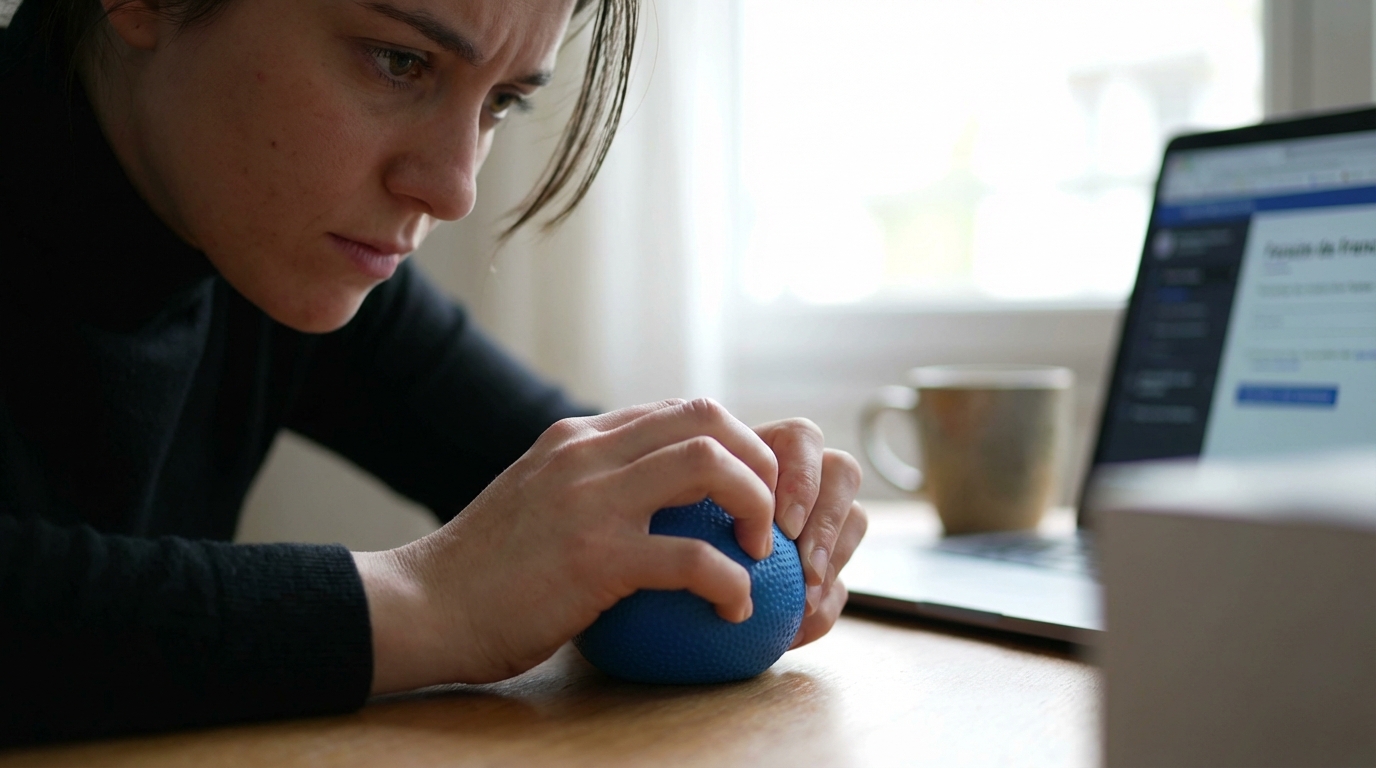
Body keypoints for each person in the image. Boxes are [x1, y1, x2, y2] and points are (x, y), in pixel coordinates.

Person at [0, 0, 867, 746]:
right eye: (399, 61)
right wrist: (430, 599)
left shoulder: (257, 230)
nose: (454, 188)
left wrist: (731, 492)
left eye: (502, 104)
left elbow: (573, 499)